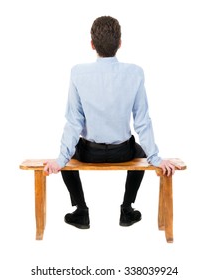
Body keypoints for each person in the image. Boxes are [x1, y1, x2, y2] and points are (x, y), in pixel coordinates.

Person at [44, 16, 180, 230]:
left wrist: (60, 160)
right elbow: (142, 120)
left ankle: (81, 211)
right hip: (123, 151)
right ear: (119, 43)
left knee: (69, 153)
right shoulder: (135, 72)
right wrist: (156, 158)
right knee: (142, 152)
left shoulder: (78, 73)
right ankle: (127, 209)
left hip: (89, 153)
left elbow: (74, 121)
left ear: (91, 44)